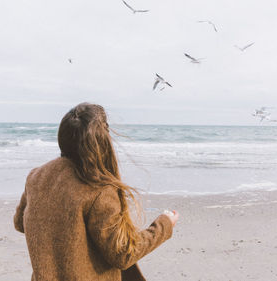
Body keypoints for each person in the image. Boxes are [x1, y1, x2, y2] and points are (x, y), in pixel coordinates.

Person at [14, 102, 179, 281]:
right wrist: (164, 225)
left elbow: (20, 223)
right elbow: (123, 255)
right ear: (101, 141)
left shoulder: (36, 176)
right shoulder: (98, 189)